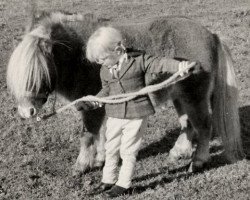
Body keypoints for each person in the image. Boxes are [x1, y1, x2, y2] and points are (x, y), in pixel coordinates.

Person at [76, 26, 201, 198]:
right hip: (115, 114)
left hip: (136, 116)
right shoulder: (104, 70)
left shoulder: (139, 60)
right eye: (98, 61)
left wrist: (180, 65)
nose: (100, 63)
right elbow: (106, 91)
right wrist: (91, 102)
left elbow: (160, 63)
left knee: (128, 151)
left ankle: (123, 184)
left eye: (102, 59)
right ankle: (108, 179)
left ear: (118, 49)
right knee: (110, 148)